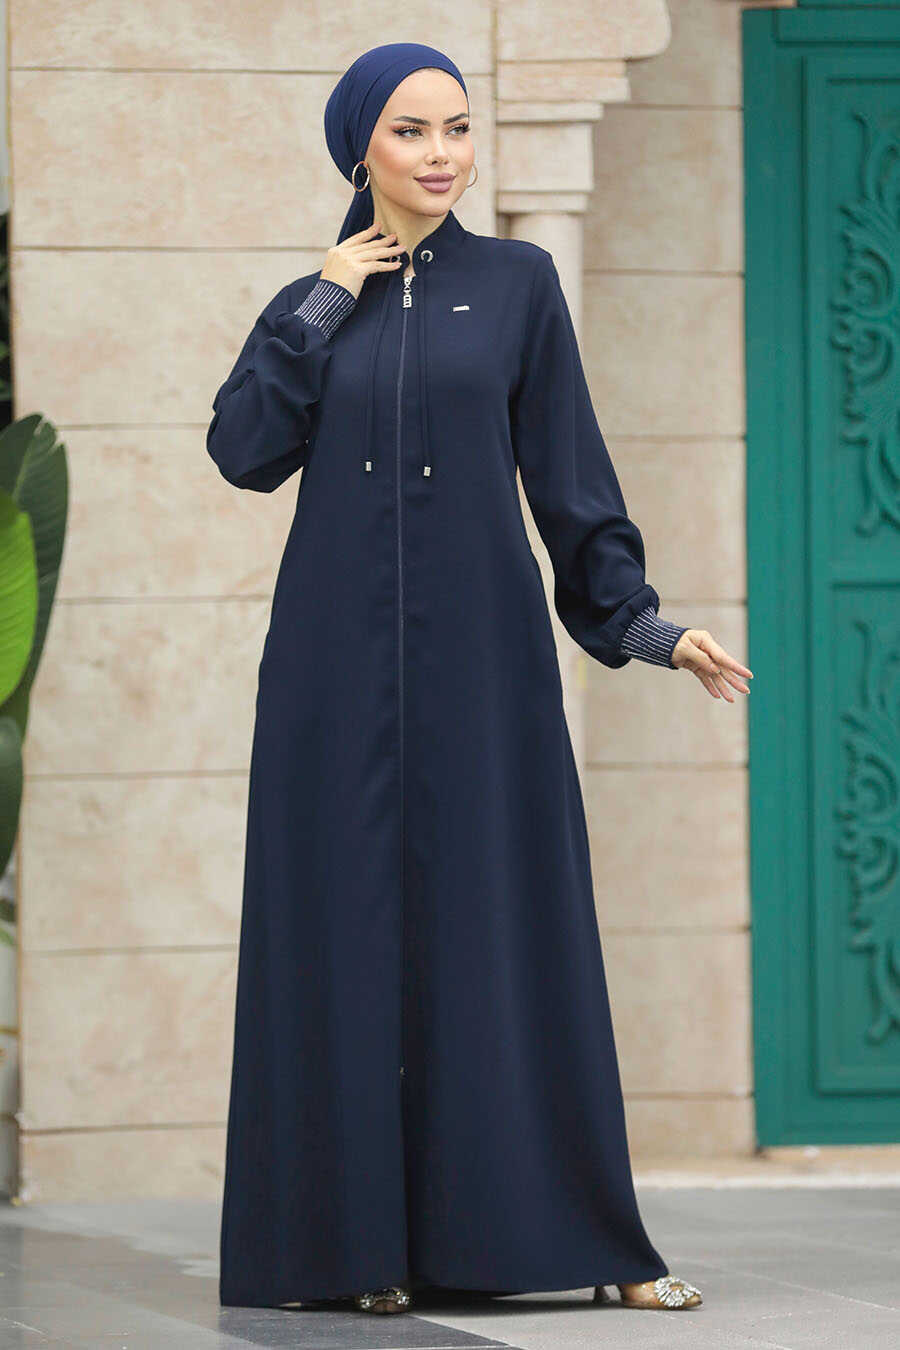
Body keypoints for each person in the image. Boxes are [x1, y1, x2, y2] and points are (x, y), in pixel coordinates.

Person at [206, 41, 752, 1319]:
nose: (442, 153)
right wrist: (325, 299)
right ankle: (354, 1254)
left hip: (483, 671)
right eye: (411, 131)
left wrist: (645, 626)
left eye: (457, 127)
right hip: (331, 675)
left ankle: (580, 1239)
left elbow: (569, 475)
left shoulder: (517, 286)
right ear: (360, 149)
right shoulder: (313, 300)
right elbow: (241, 449)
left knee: (507, 928)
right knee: (339, 935)